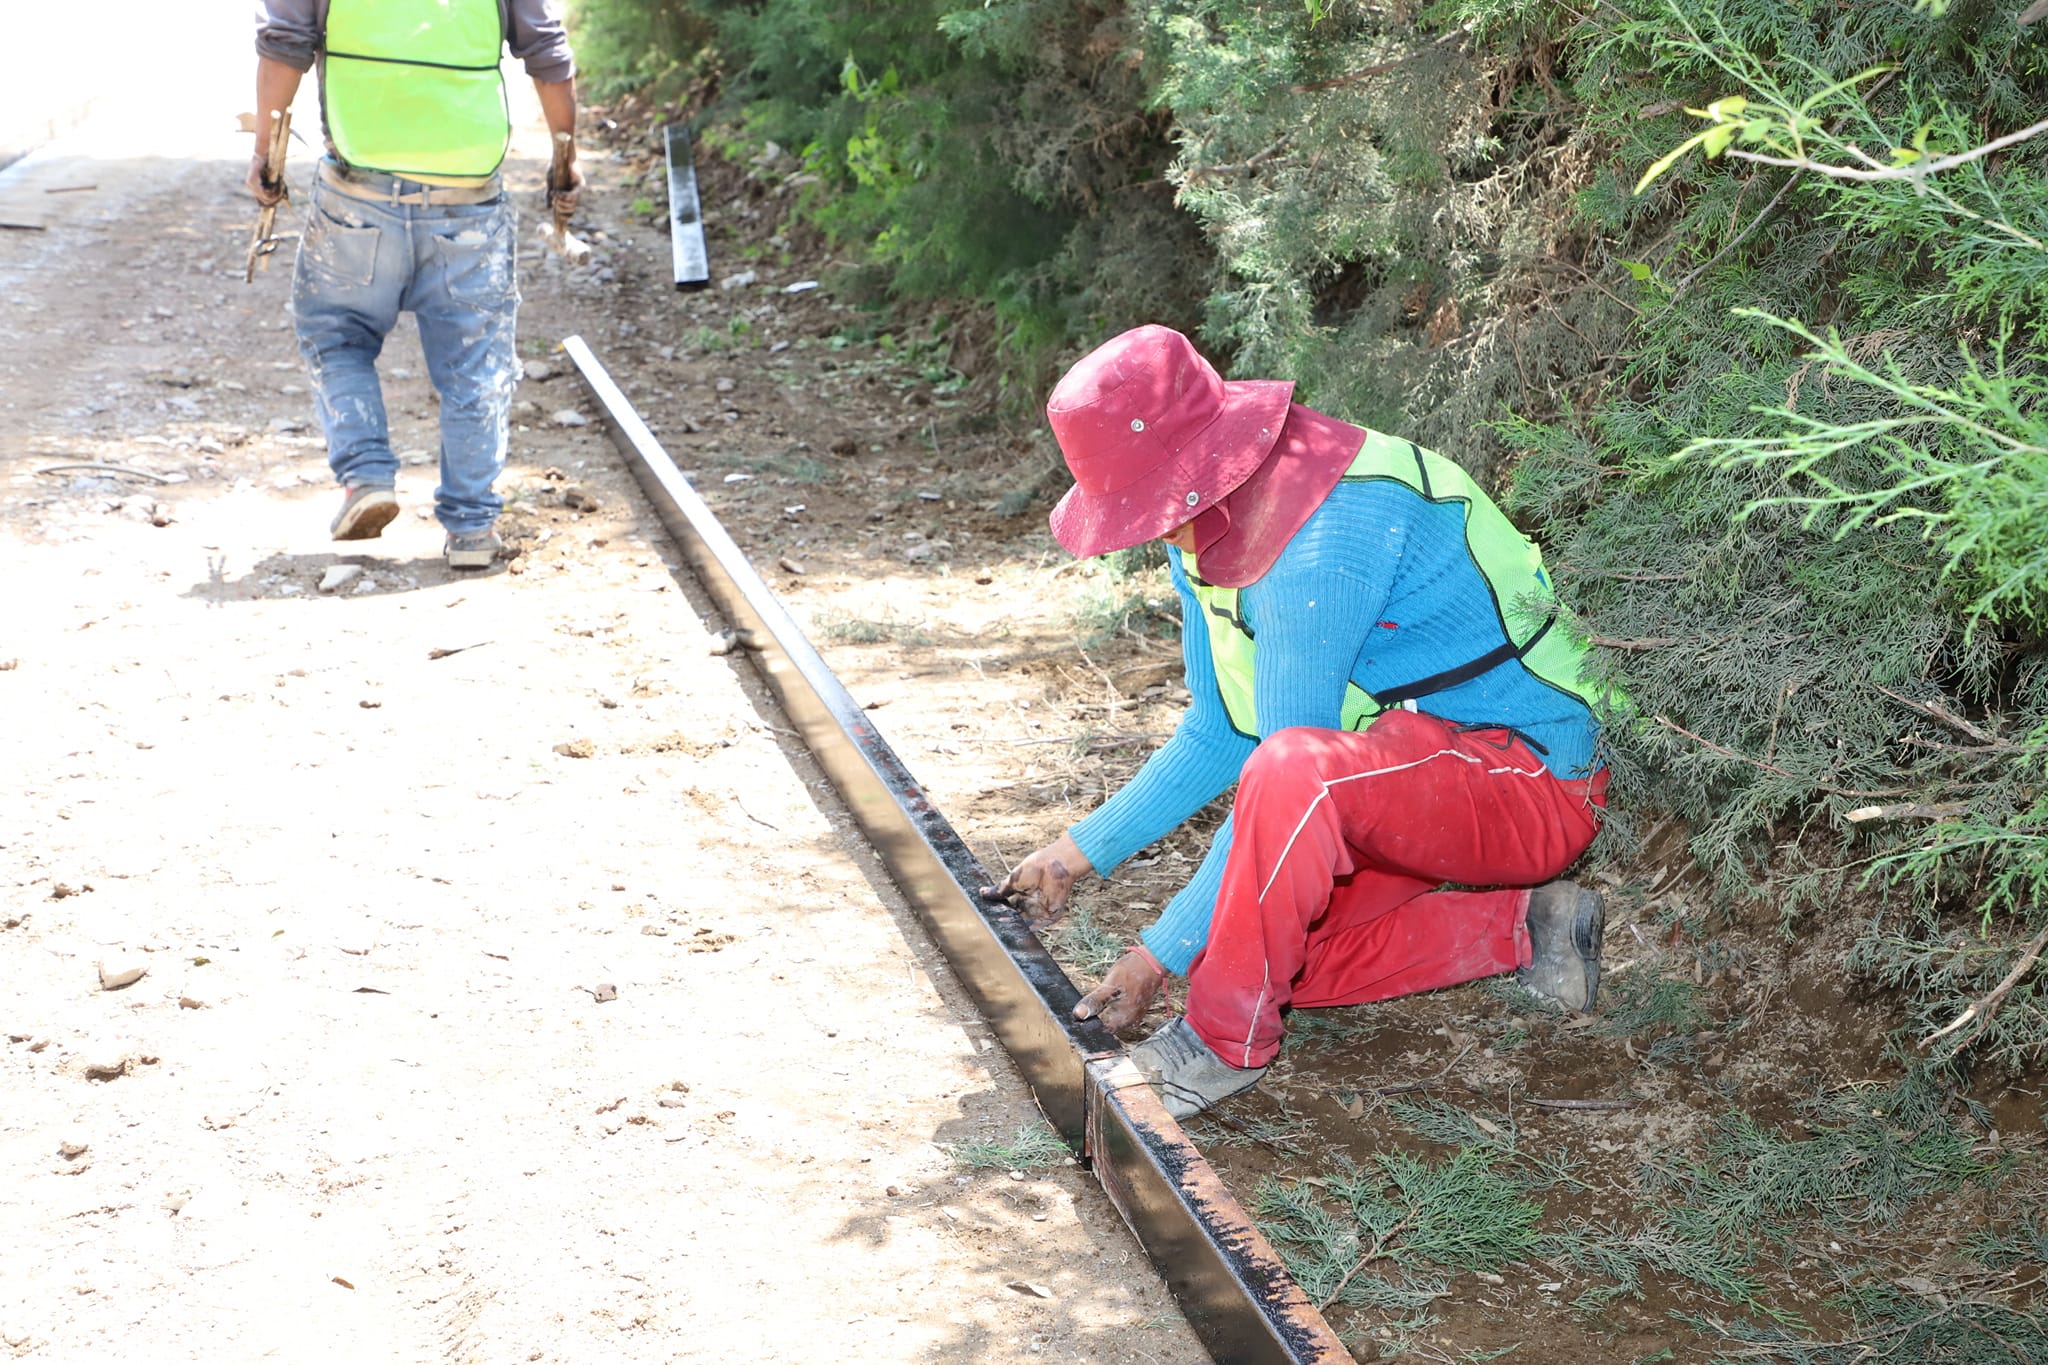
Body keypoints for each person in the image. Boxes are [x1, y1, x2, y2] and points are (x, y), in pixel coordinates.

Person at [986, 324, 1612, 1119]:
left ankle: (1218, 1044)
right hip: (1409, 771)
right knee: (1272, 947)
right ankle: (1535, 926)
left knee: (1274, 824)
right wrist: (1076, 855)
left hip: (1536, 779)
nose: (1143, 532)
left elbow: (1285, 781)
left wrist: (1154, 956)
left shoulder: (1318, 541)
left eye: (1141, 508)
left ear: (1193, 469)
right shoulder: (1205, 522)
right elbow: (1221, 732)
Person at [249, 0, 583, 569]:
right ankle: (473, 528)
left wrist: (264, 153)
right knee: (475, 361)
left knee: (336, 333)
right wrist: (566, 157)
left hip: (359, 191)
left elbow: (285, 44)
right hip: (468, 198)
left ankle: (367, 477)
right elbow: (547, 52)